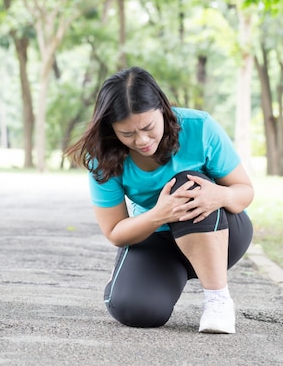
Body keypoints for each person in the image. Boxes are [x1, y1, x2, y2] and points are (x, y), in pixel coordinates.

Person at [65, 66, 254, 334]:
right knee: (135, 310)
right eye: (127, 134)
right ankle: (131, 278)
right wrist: (159, 214)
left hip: (219, 233)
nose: (141, 140)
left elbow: (245, 191)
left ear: (162, 109)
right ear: (111, 129)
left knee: (186, 183)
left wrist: (220, 194)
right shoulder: (103, 156)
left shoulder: (200, 127)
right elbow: (115, 232)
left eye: (148, 127)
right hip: (158, 241)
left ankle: (218, 300)